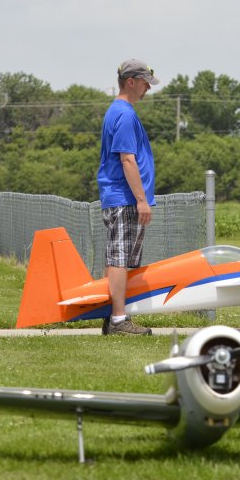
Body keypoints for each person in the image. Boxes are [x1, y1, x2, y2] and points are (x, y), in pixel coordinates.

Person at [97, 59, 160, 336]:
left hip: (123, 198)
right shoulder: (123, 114)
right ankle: (118, 320)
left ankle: (114, 315)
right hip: (124, 198)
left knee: (121, 259)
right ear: (131, 82)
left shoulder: (121, 111)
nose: (148, 88)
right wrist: (141, 200)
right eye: (145, 82)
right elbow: (127, 160)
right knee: (120, 259)